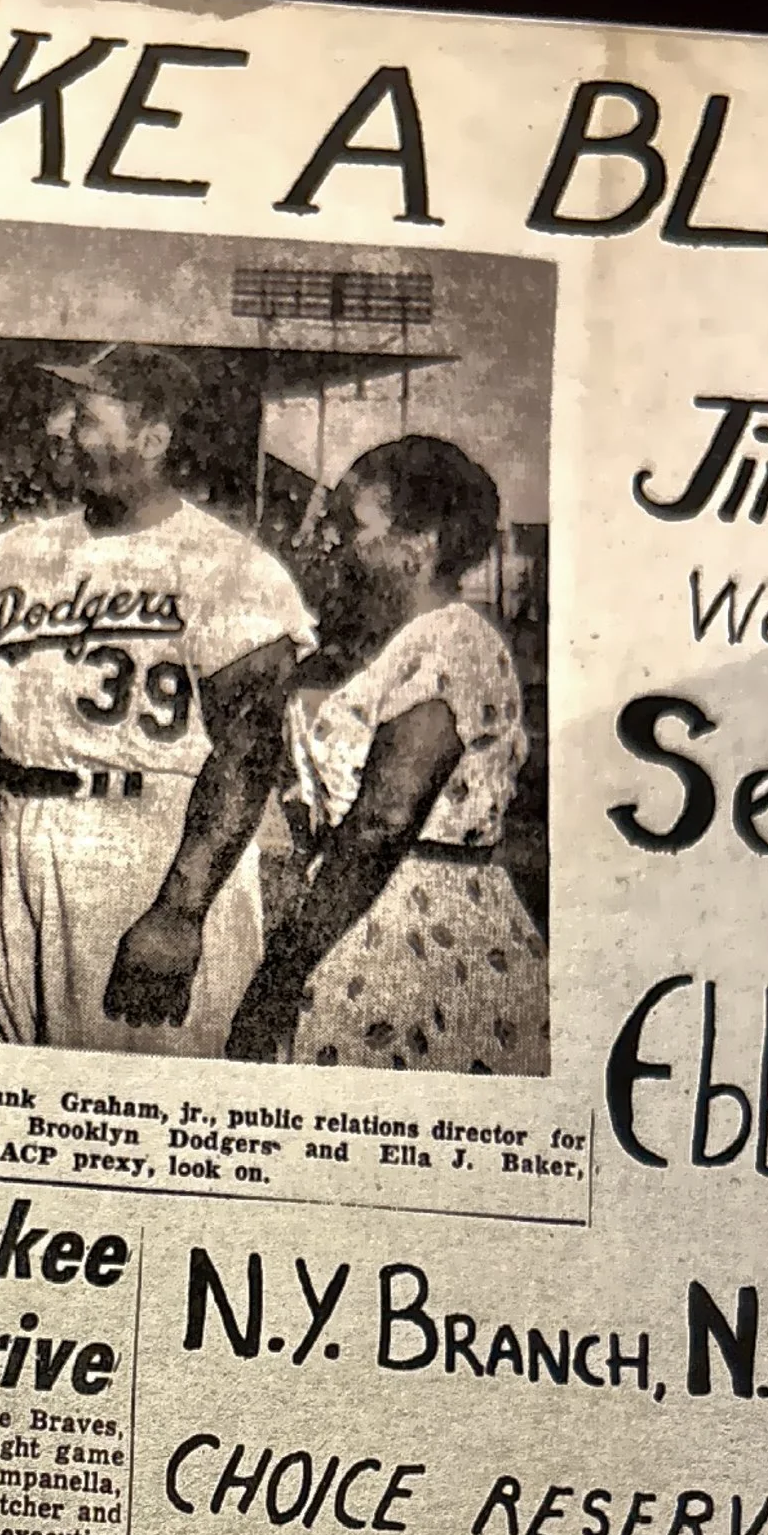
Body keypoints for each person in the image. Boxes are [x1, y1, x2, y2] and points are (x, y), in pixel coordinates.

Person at [0, 344, 312, 1058]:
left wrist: (179, 910)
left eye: (82, 416)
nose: (57, 428)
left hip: (139, 842)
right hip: (11, 827)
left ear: (153, 438)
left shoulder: (230, 566)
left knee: (129, 1087)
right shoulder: (15, 552)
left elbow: (249, 750)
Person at [225, 436, 547, 1075]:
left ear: (419, 545)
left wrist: (280, 973)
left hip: (419, 933)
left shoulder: (456, 642)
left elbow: (383, 822)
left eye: (352, 527)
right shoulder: (365, 645)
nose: (330, 543)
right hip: (348, 916)